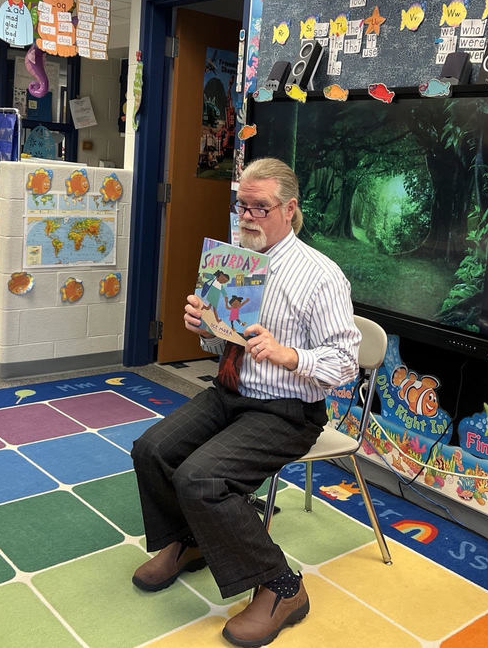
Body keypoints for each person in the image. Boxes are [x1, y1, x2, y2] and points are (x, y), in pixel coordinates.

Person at [131, 157, 360, 647]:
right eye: (242, 206)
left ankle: (283, 586)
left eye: (260, 207)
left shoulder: (321, 276)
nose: (248, 217)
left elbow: (345, 364)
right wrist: (204, 328)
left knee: (202, 478)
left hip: (288, 409)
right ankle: (189, 539)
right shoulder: (235, 262)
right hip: (230, 393)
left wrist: (289, 354)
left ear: (290, 209)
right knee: (151, 449)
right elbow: (222, 345)